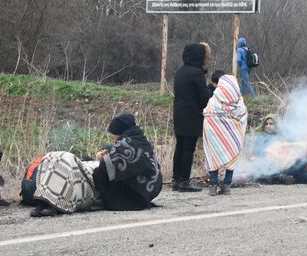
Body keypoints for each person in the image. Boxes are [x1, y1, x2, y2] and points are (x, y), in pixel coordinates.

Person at [93, 113, 163, 210]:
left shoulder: (125, 143)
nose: (114, 139)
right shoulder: (139, 138)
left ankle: (111, 202)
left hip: (138, 196)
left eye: (114, 136)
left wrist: (101, 159)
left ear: (119, 131)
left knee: (98, 173)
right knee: (108, 149)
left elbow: (107, 170)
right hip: (152, 188)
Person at [172, 43, 212, 192]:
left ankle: (176, 180)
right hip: (192, 115)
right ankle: (184, 181)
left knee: (180, 147)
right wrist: (211, 90)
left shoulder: (181, 71)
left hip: (179, 113)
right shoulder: (197, 73)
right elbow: (204, 99)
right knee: (189, 148)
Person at [203, 75, 248, 196]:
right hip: (233, 136)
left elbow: (207, 114)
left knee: (213, 154)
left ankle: (212, 185)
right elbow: (243, 117)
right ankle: (227, 185)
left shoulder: (213, 101)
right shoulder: (240, 104)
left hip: (213, 133)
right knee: (232, 155)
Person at [29, 151, 101, 217]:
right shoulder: (85, 160)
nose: (103, 152)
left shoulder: (99, 165)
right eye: (102, 150)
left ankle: (54, 205)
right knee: (52, 156)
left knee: (65, 157)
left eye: (107, 152)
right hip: (70, 167)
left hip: (83, 178)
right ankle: (44, 202)